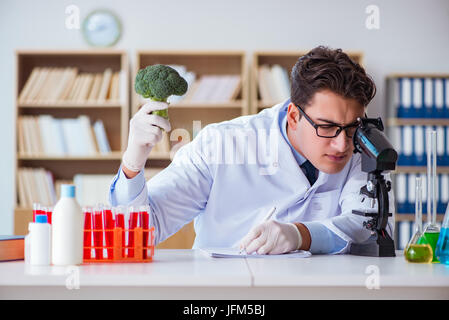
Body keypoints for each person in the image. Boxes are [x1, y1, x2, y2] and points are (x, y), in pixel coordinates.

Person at [109, 46, 395, 255]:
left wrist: (301, 235)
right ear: (294, 116)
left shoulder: (359, 147)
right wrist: (133, 160)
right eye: (327, 127)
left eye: (351, 127)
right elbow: (141, 231)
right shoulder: (221, 144)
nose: (342, 144)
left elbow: (367, 226)